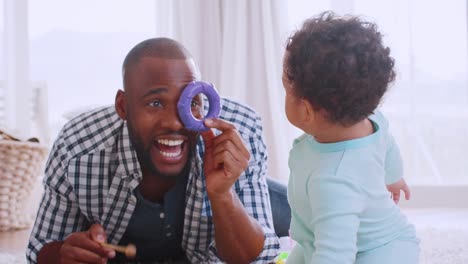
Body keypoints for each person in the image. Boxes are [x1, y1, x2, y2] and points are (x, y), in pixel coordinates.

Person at [26, 38, 280, 264]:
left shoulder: (239, 132)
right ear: (123, 106)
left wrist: (223, 194)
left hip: (248, 195)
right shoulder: (77, 148)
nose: (175, 122)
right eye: (156, 103)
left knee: (306, 215)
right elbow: (40, 247)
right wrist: (63, 255)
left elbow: (255, 258)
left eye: (191, 102)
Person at [282, 12, 420, 264]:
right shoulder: (371, 118)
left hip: (383, 248)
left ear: (306, 111)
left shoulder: (333, 181)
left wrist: (392, 177)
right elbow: (387, 144)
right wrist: (394, 176)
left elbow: (335, 255)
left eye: (286, 89)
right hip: (316, 237)